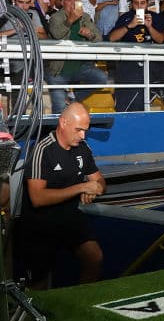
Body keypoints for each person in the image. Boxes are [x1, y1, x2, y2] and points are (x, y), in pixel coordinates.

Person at [17, 103, 106, 289]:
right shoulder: (42, 149)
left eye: (85, 131)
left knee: (94, 258)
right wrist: (82, 187)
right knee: (38, 283)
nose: (83, 135)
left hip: (69, 217)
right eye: (79, 130)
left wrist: (95, 188)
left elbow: (100, 181)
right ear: (63, 122)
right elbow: (37, 198)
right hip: (40, 222)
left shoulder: (83, 147)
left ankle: (79, 303)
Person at [44, 0, 107, 113]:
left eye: (76, 1)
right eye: (69, 0)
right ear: (62, 2)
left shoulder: (85, 17)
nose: (73, 4)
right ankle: (58, 124)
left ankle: (74, 97)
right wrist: (70, 20)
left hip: (80, 66)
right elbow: (57, 34)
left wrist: (90, 35)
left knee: (101, 78)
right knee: (60, 107)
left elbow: (99, 38)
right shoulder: (56, 17)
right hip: (58, 69)